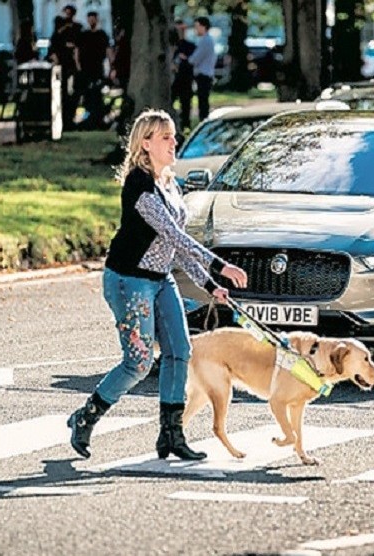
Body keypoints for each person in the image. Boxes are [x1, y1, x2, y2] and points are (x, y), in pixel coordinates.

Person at [67, 109, 248, 461]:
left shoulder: (170, 183)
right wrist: (220, 266)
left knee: (180, 351)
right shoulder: (139, 184)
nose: (174, 142)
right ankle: (85, 418)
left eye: (174, 136)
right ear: (145, 143)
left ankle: (170, 437)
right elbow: (174, 235)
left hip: (161, 279)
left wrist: (210, 285)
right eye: (166, 137)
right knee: (137, 363)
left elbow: (173, 250)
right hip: (129, 280)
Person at [77, 11, 113, 129]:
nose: (92, 21)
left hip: (98, 69)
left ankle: (98, 119)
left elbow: (108, 51)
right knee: (86, 95)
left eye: (94, 19)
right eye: (90, 19)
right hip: (86, 69)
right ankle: (87, 121)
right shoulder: (83, 35)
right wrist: (79, 66)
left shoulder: (102, 35)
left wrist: (111, 66)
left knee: (98, 95)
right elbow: (77, 52)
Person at [49, 4, 82, 130]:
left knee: (71, 91)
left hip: (70, 65)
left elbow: (77, 46)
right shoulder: (59, 28)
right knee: (60, 91)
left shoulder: (77, 28)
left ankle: (69, 117)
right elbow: (55, 42)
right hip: (62, 63)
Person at [184, 16, 217, 123]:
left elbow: (195, 59)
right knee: (203, 101)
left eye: (197, 26)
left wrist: (186, 58)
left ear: (204, 27)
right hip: (205, 74)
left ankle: (203, 122)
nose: (196, 29)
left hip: (204, 75)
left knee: (203, 102)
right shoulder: (206, 40)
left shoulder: (206, 41)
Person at [171, 19, 195, 131]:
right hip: (174, 80)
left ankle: (186, 125)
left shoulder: (190, 46)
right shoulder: (171, 46)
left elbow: (193, 62)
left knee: (186, 104)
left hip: (186, 79)